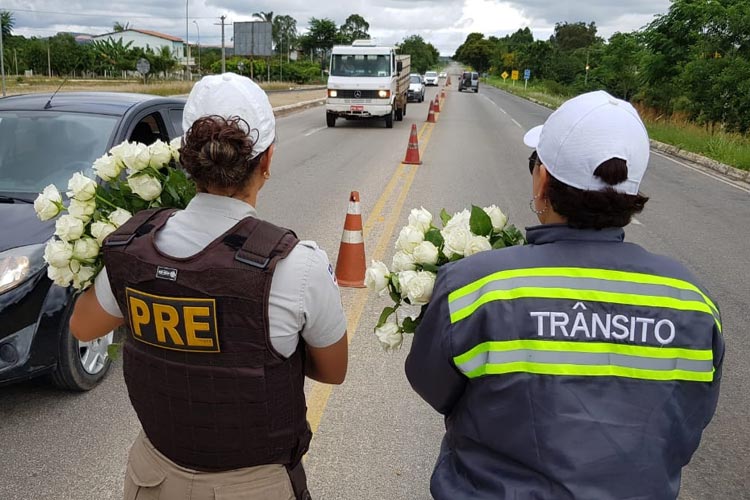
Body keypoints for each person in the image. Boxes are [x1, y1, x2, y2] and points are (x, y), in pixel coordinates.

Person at [405, 90, 724, 500]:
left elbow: (432, 384)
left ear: (542, 182)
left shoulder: (476, 289)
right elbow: (691, 418)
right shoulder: (694, 303)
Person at [69, 73, 348, 500]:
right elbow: (333, 370)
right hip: (253, 488)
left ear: (187, 160)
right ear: (267, 160)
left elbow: (83, 327)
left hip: (152, 479)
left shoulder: (133, 246)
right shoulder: (297, 266)